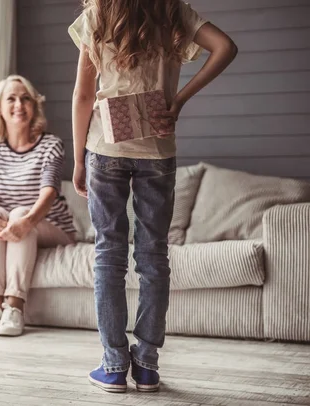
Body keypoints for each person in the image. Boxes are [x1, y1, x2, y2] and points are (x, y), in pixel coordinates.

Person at [69, 0, 237, 393]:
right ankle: (145, 365)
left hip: (105, 148)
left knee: (108, 255)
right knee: (153, 256)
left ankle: (113, 366)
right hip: (158, 151)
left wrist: (78, 158)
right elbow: (225, 47)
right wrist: (178, 101)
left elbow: (81, 95)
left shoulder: (97, 15)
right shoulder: (172, 10)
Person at [0, 75, 77, 337]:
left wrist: (26, 221)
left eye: (25, 98)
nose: (19, 104)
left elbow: (49, 194)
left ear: (34, 106)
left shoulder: (50, 145)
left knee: (19, 213)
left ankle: (15, 307)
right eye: (11, 98)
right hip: (10, 223)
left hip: (54, 227)